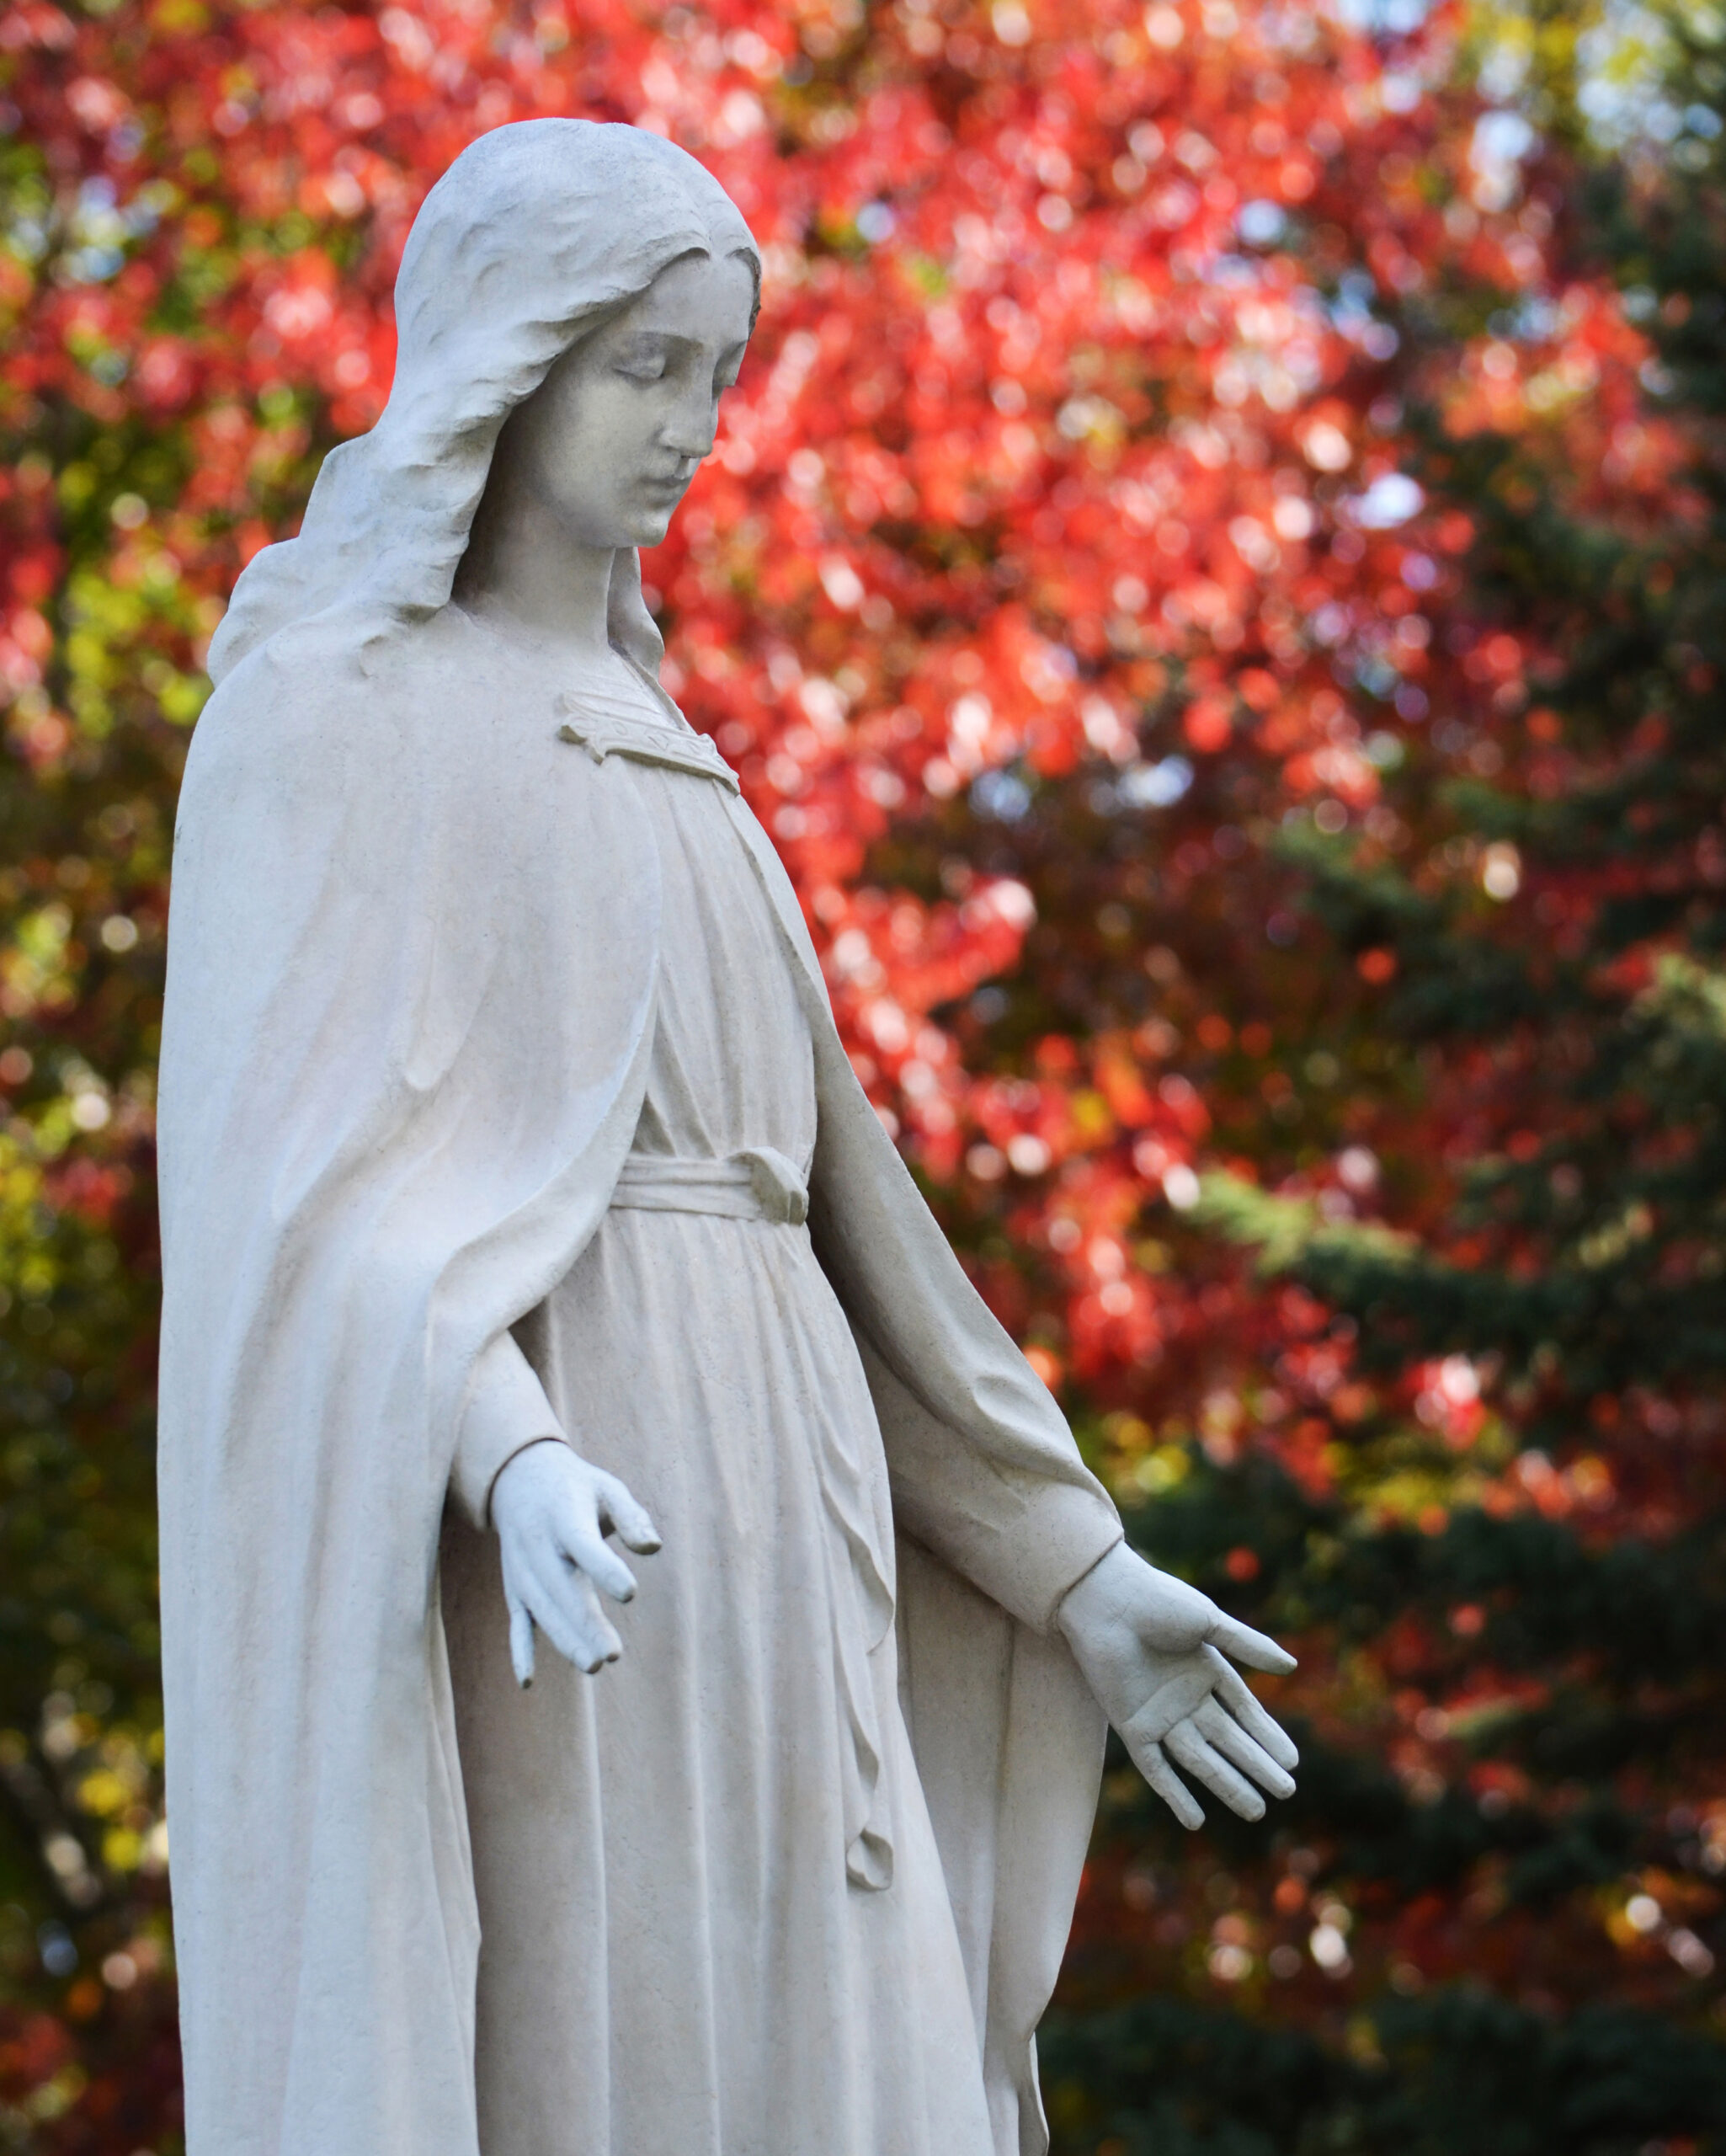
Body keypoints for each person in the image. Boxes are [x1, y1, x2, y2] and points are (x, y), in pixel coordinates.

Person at [157, 118, 1298, 2156]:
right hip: (569, 1532)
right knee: (617, 2058)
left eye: (716, 374)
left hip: (799, 1515)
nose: (693, 429)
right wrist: (505, 1455)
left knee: (831, 2069)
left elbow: (849, 1210)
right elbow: (301, 1211)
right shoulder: (330, 711)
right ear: (505, 361)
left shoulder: (679, 756)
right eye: (643, 367)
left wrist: (1065, 1564)